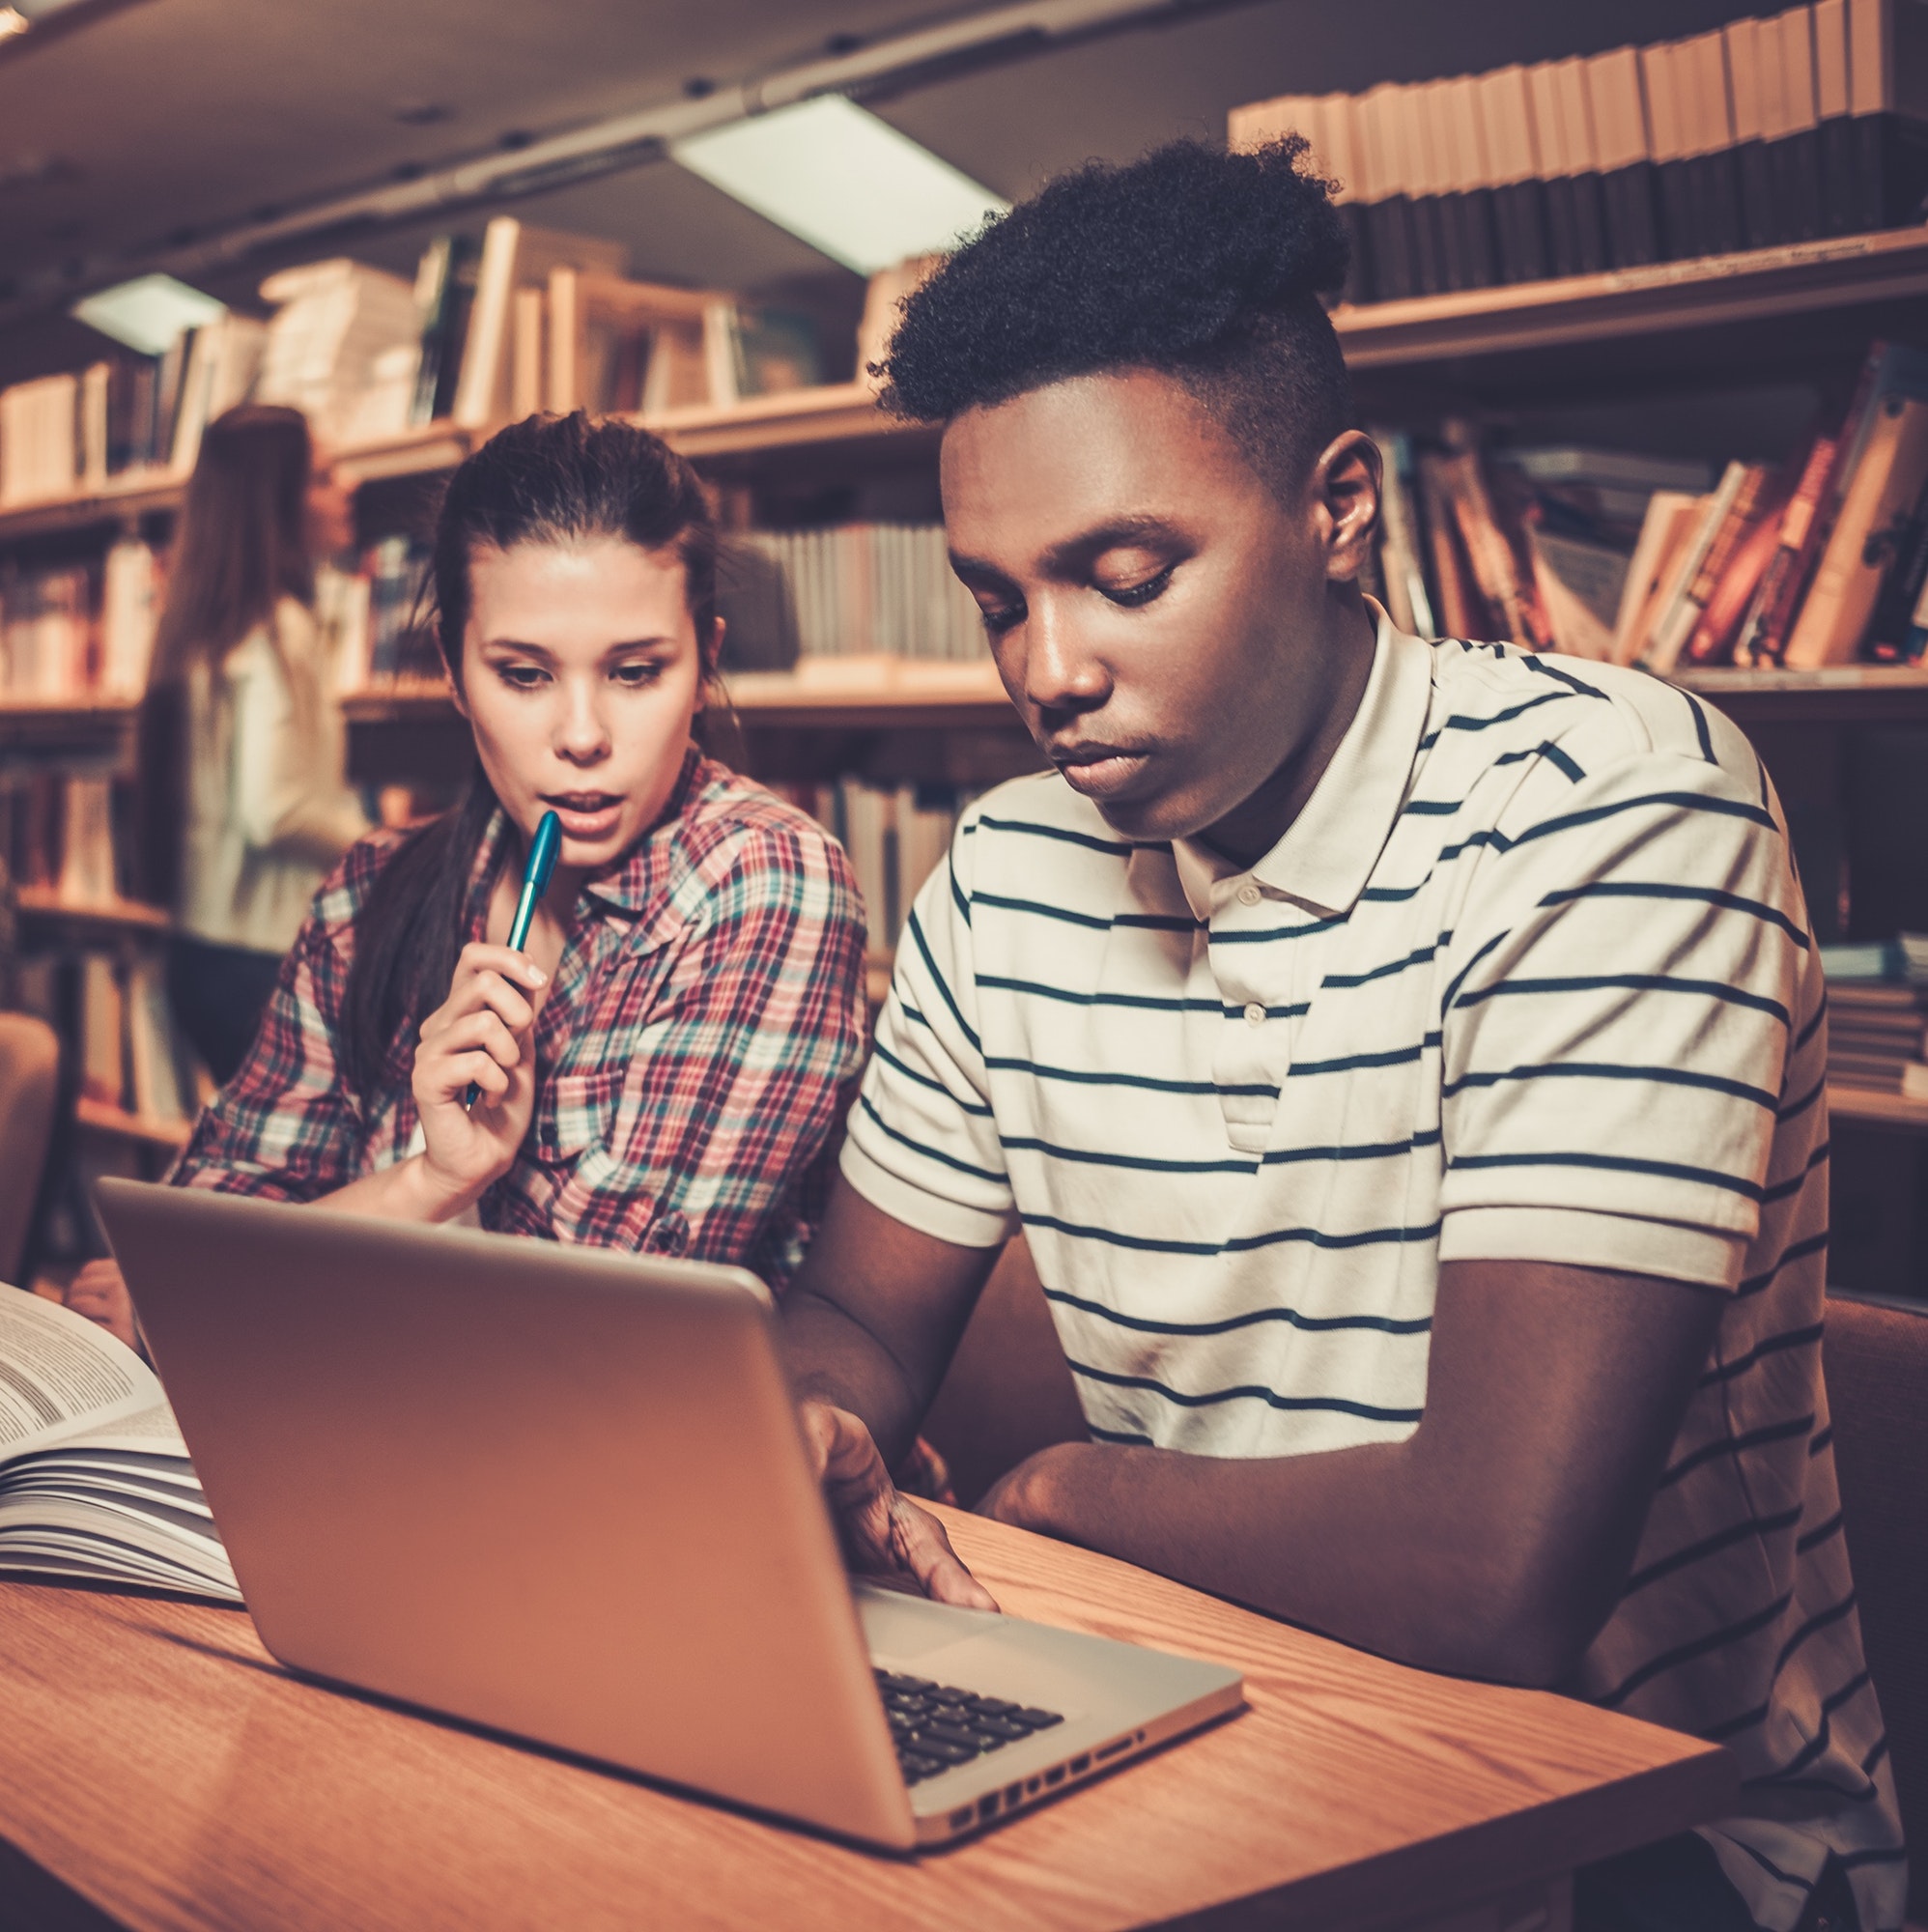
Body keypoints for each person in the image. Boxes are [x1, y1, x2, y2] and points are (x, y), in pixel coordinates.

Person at [779, 142, 1905, 1932]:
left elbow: (1493, 1576)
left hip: (1622, 1835)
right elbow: (852, 1316)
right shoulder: (1002, 873)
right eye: (997, 595)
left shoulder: (1613, 810)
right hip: (1190, 1731)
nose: (1042, 667)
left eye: (1124, 572)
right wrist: (815, 1422)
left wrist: (1065, 1493)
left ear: (1340, 509)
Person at [70, 412, 868, 1348]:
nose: (581, 735)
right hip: (339, 1442)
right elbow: (206, 1229)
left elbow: (589, 1335)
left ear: (706, 664)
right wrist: (427, 1182)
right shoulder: (370, 887)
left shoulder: (768, 881)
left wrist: (228, 1294)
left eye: (637, 671)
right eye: (524, 675)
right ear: (453, 669)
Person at [137, 404, 370, 1085]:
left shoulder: (202, 629)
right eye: (324, 476)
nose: (348, 485)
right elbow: (276, 810)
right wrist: (387, 843)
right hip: (259, 960)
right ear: (276, 501)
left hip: (199, 950)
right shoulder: (279, 631)